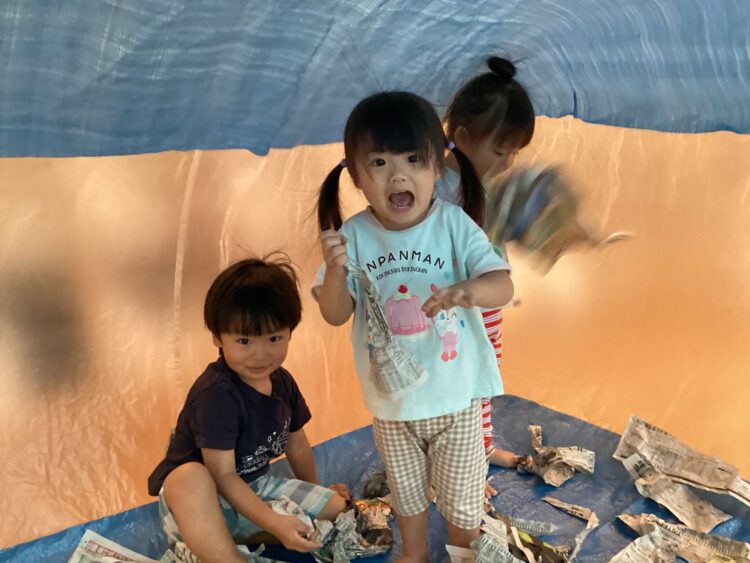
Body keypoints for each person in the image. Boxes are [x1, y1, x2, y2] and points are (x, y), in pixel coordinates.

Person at [313, 91, 514, 563]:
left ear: (437, 167)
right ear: (356, 176)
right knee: (406, 495)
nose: (397, 175)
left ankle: (464, 552)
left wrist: (471, 290)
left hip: (456, 399)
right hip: (393, 406)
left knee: (462, 502)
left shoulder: (453, 224)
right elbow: (335, 313)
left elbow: (503, 286)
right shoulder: (353, 236)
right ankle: (414, 553)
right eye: (379, 163)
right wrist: (336, 273)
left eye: (412, 160)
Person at [147, 257, 348, 563]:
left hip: (254, 487)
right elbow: (224, 476)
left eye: (274, 338)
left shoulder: (282, 383)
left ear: (290, 332)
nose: (260, 354)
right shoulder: (216, 395)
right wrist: (275, 522)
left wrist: (316, 490)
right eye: (244, 341)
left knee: (335, 507)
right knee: (187, 476)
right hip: (204, 502)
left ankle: (244, 535)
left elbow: (297, 443)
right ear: (218, 337)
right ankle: (227, 555)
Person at [439, 56, 535, 483]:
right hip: (450, 310)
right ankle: (454, 464)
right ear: (461, 136)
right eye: (500, 150)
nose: (507, 160)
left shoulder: (492, 183)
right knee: (451, 386)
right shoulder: (434, 185)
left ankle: (479, 446)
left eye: (514, 152)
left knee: (483, 378)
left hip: (488, 303)